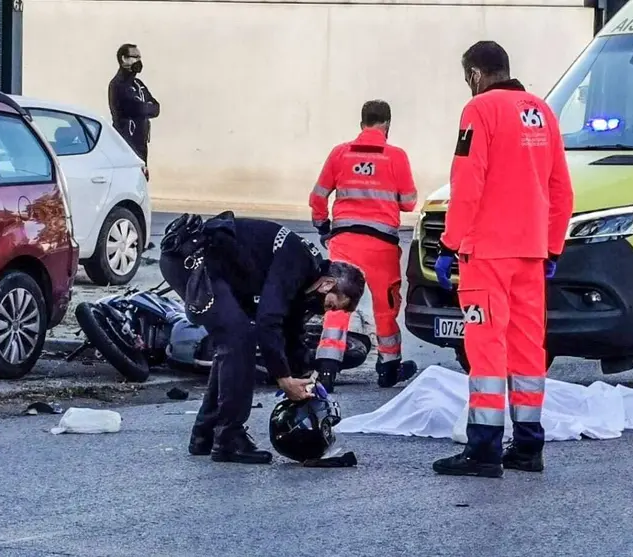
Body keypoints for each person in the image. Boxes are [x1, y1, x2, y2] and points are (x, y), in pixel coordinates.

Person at [431, 41, 574, 478]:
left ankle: (484, 447)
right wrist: (551, 247)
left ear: (475, 74)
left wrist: (450, 243)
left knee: (486, 348)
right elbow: (561, 189)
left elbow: (467, 182)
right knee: (528, 349)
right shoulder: (543, 112)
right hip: (531, 254)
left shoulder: (479, 111)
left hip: (487, 254)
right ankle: (528, 445)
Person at [159, 212, 366, 465]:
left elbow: (290, 332)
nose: (327, 312)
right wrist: (283, 379)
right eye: (332, 305)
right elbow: (268, 322)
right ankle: (228, 439)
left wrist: (303, 376)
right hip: (190, 260)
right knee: (239, 339)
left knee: (234, 340)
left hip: (216, 269)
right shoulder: (299, 262)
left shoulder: (306, 284)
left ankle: (206, 435)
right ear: (327, 285)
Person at [309, 100, 419, 389]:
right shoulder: (396, 156)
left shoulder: (340, 153)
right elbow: (409, 203)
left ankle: (327, 372)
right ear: (387, 126)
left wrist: (323, 227)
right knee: (385, 307)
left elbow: (318, 197)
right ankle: (389, 368)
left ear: (362, 124)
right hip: (381, 246)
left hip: (344, 242)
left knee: (338, 305)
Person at [108, 43, 160, 163]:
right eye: (135, 57)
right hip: (126, 142)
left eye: (140, 57)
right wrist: (145, 108)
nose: (138, 61)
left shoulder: (138, 84)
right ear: (124, 59)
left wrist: (145, 108)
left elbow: (156, 107)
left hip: (141, 142)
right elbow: (135, 108)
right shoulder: (117, 84)